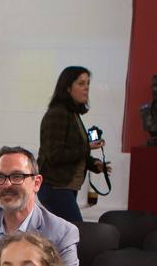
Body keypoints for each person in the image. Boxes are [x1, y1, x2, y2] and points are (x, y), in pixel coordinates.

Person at [37, 66, 106, 226]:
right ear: (68, 88)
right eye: (81, 83)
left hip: (65, 187)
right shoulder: (57, 114)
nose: (86, 88)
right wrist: (88, 147)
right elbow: (55, 155)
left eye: (88, 83)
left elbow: (73, 150)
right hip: (55, 187)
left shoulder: (72, 114)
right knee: (76, 233)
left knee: (64, 238)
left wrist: (93, 164)